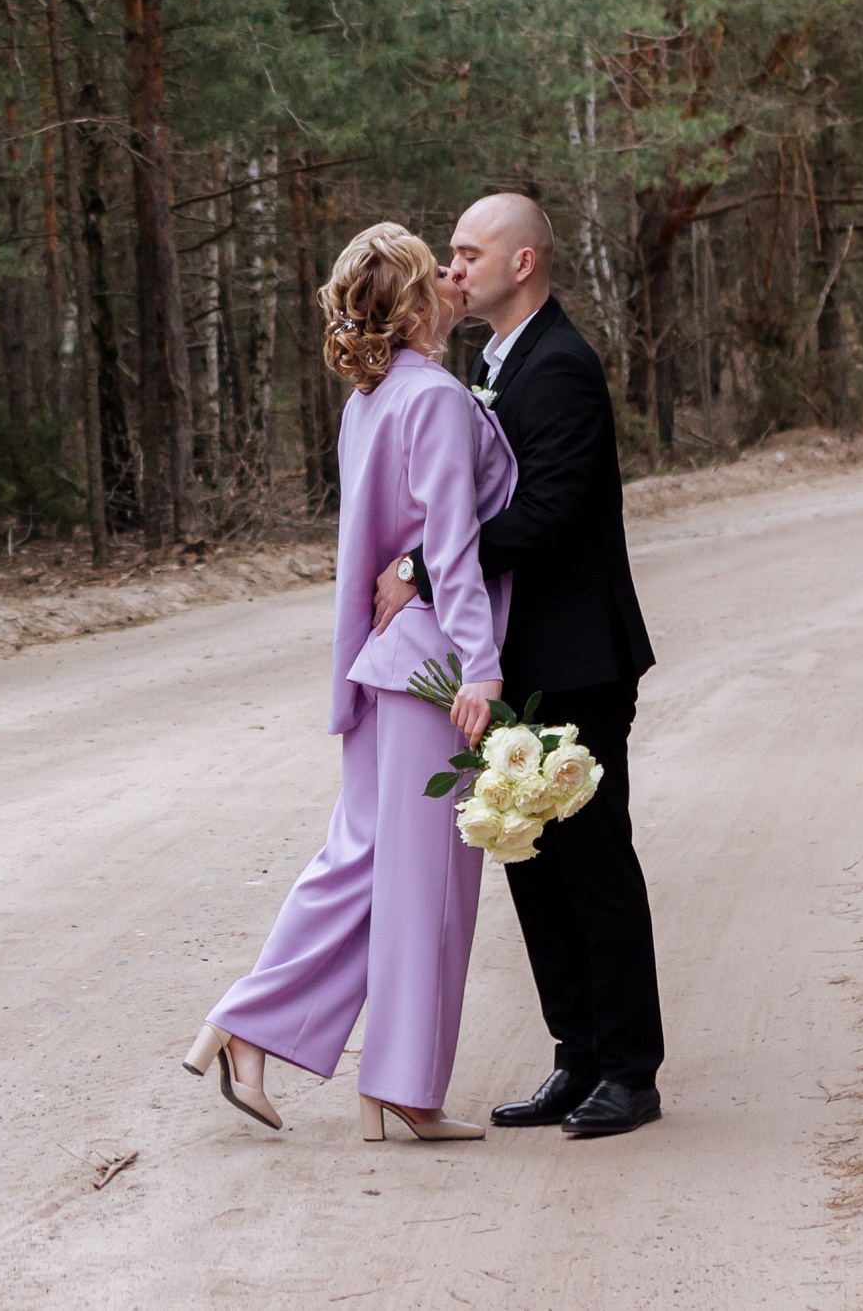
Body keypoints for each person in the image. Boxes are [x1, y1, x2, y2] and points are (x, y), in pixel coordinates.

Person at [183, 222, 516, 1142]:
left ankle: (247, 1028)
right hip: (431, 665)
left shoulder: (366, 404)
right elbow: (449, 546)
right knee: (431, 891)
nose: (454, 284)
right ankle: (398, 1085)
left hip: (381, 669)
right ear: (412, 307)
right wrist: (481, 666)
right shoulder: (436, 399)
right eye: (434, 278)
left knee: (360, 862)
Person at [371, 192, 664, 1139]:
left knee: (593, 865)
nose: (452, 269)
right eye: (449, 255)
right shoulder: (493, 365)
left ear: (521, 264)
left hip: (576, 660)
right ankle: (574, 1058)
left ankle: (629, 1069)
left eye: (466, 252)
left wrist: (422, 566)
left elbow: (545, 517)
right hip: (508, 659)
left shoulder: (562, 368)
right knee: (531, 866)